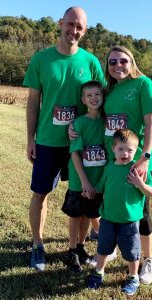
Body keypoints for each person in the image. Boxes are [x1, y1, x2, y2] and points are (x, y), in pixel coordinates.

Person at [23, 6, 104, 271]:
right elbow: (33, 101)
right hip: (48, 141)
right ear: (60, 23)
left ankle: (78, 245)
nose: (74, 30)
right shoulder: (41, 59)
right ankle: (37, 245)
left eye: (79, 27)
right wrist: (30, 138)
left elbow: (103, 100)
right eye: (70, 24)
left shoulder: (90, 62)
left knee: (83, 196)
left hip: (81, 144)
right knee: (40, 194)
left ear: (85, 30)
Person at [103, 45, 152, 284]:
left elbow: (151, 123)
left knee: (140, 212)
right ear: (107, 67)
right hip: (114, 162)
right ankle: (111, 247)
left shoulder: (144, 84)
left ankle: (147, 259)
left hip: (137, 160)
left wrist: (145, 158)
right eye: (112, 62)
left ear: (132, 62)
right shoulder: (109, 91)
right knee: (114, 205)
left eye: (123, 61)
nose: (118, 65)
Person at [87, 129, 152, 296]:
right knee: (103, 248)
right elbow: (101, 186)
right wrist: (90, 190)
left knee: (132, 253)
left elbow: (151, 192)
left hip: (130, 222)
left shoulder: (138, 170)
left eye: (130, 150)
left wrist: (140, 184)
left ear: (136, 151)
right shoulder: (109, 168)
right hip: (108, 219)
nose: (125, 153)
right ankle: (99, 273)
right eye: (121, 149)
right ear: (113, 149)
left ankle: (133, 277)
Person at [61, 80, 106, 272]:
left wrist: (96, 183)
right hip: (80, 180)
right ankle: (71, 251)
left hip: (97, 181)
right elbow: (75, 154)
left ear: (103, 96)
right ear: (83, 99)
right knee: (75, 215)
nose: (94, 98)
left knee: (88, 215)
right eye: (89, 95)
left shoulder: (107, 124)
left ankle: (80, 246)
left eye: (97, 94)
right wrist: (85, 182)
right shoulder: (78, 123)